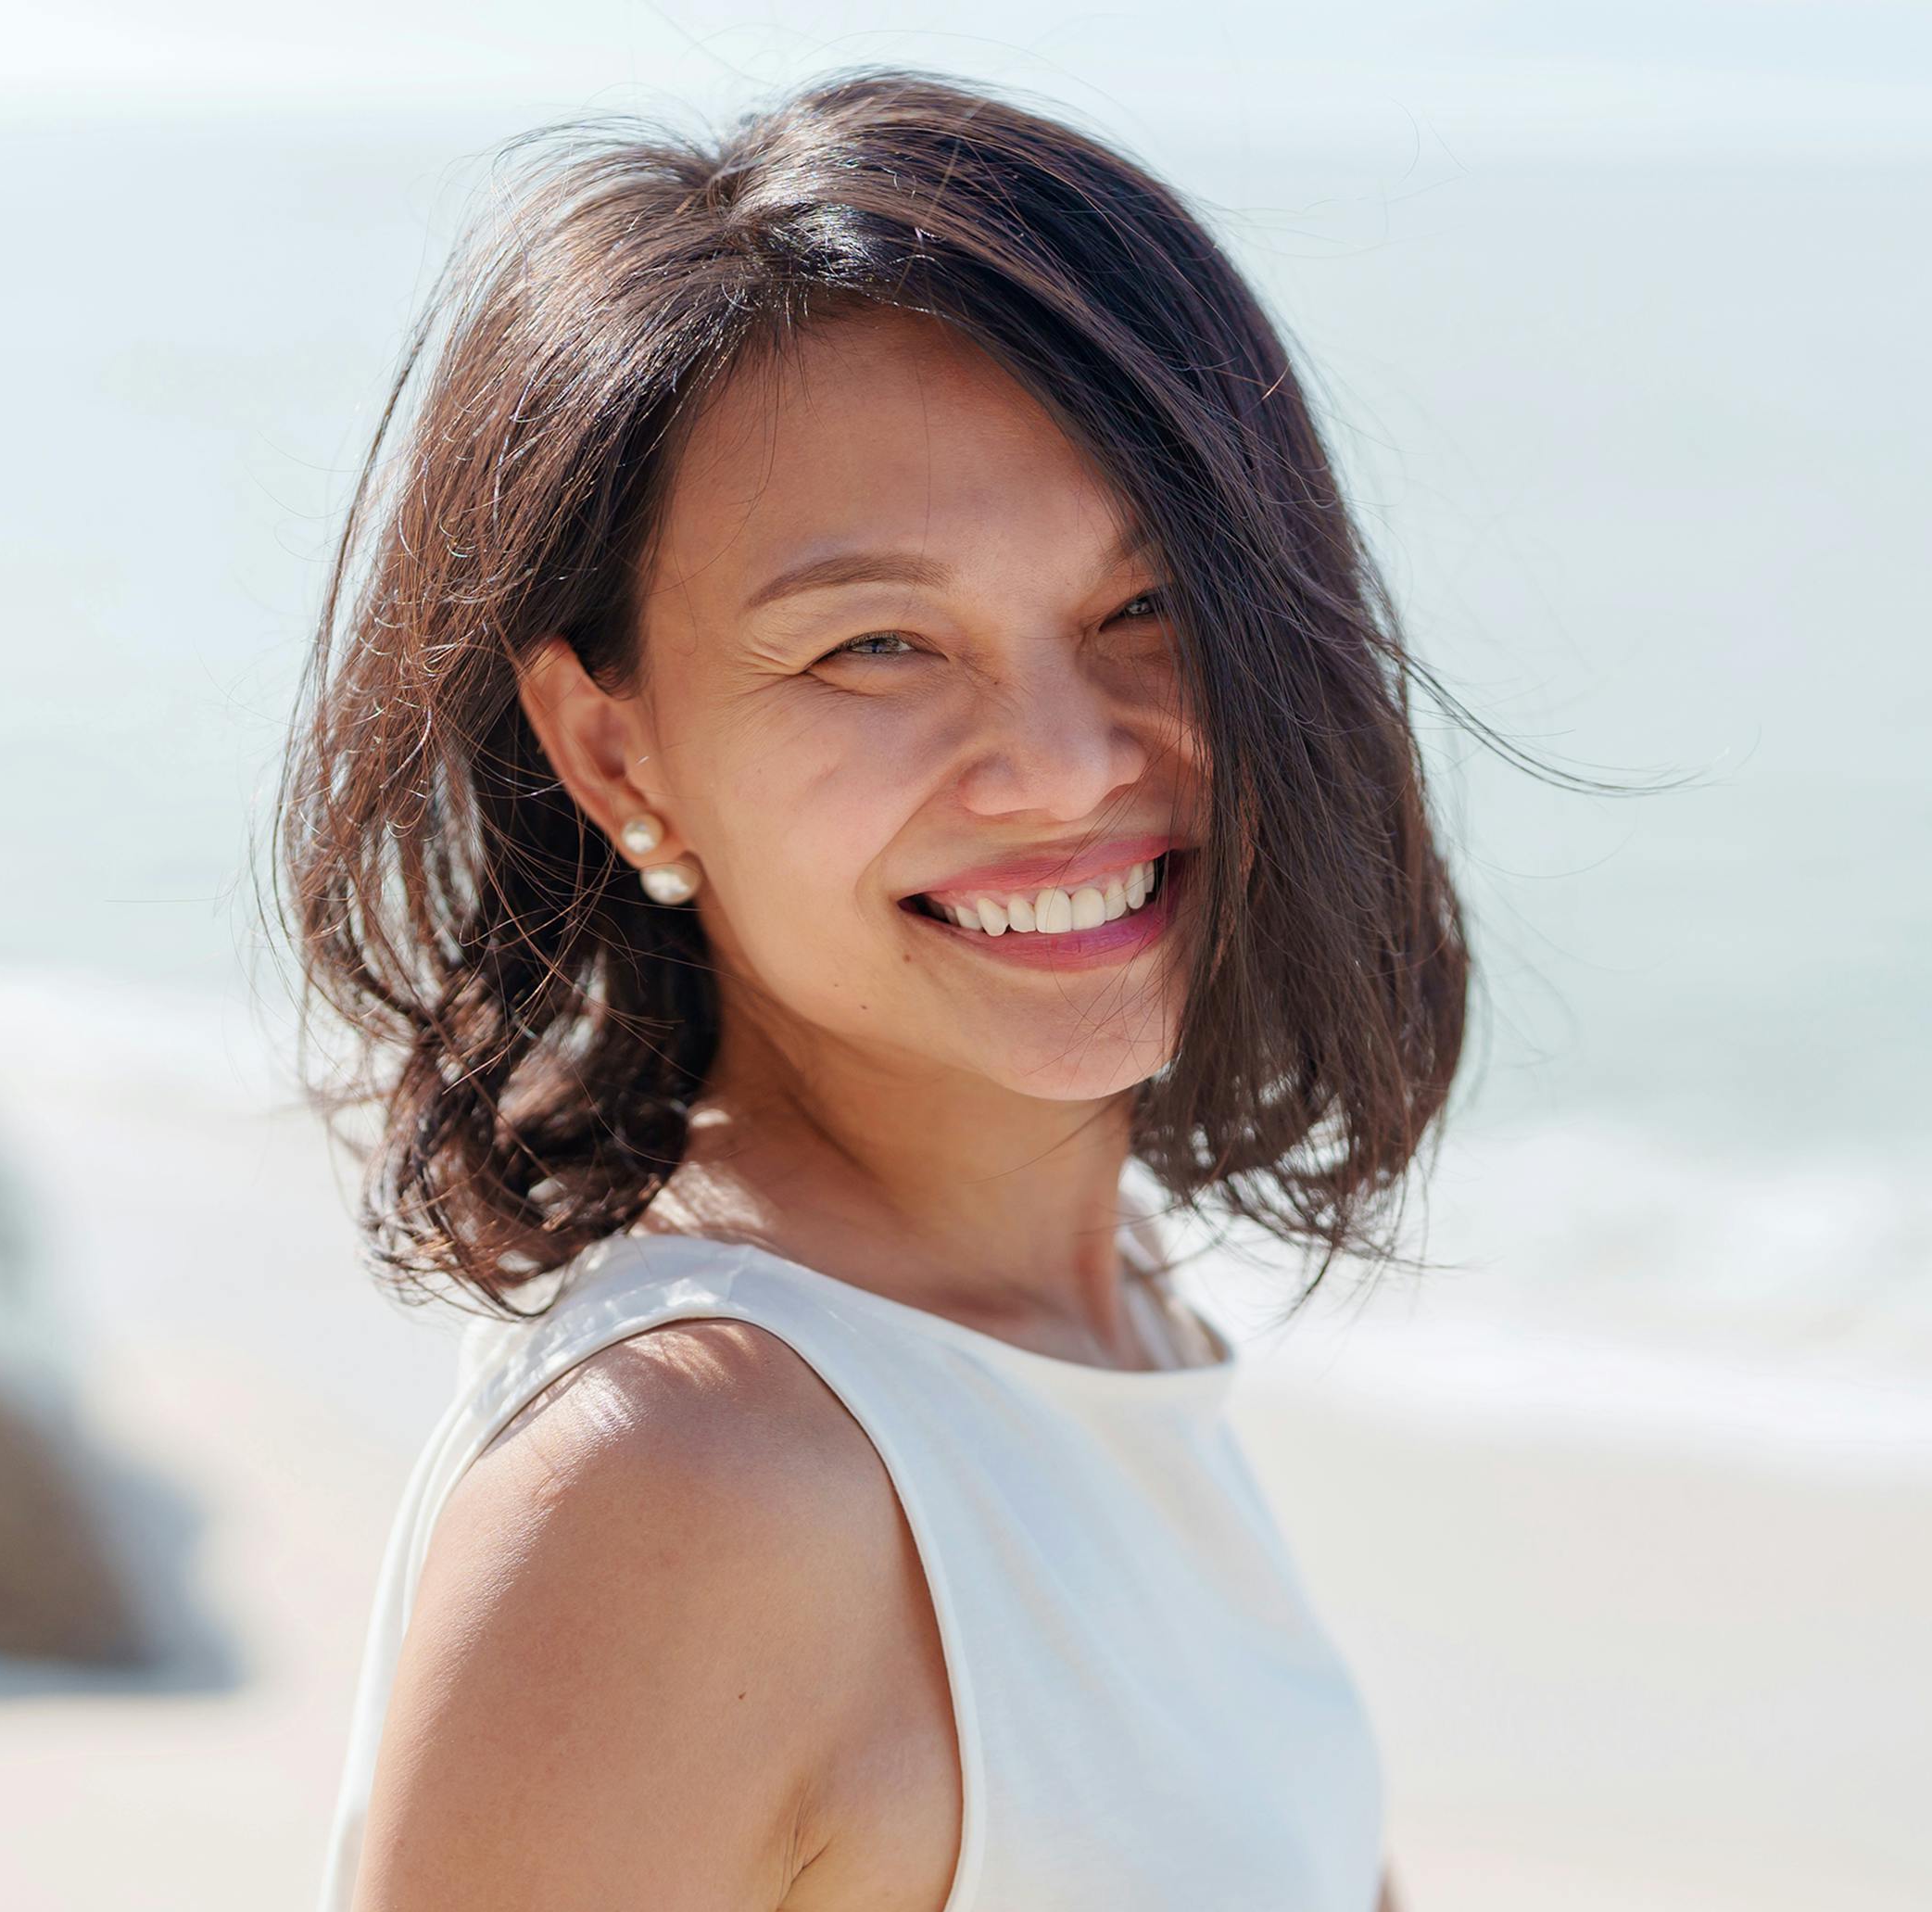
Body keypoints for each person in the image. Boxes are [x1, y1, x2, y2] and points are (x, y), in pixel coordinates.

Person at [275, 64, 1471, 1911]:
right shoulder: (685, 1487)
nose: (1064, 766)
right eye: (877, 645)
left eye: (1146, 608)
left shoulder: (1089, 1307)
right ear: (614, 753)